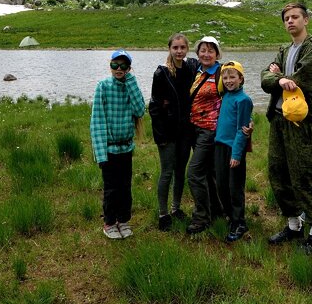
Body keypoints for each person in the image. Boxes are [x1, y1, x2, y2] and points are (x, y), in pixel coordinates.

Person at [261, 2, 312, 252]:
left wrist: (280, 77)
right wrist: (279, 78)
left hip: (301, 121)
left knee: (305, 173)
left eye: (295, 17)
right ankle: (293, 224)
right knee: (278, 171)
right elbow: (264, 78)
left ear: (306, 20)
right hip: (278, 119)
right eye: (286, 18)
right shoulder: (283, 48)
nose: (290, 21)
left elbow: (305, 79)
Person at [90, 49, 147, 240]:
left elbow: (140, 111)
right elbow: (97, 121)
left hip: (126, 148)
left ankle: (123, 220)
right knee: (111, 188)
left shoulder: (130, 85)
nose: (118, 69)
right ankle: (109, 223)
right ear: (110, 65)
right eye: (115, 65)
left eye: (123, 65)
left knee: (125, 186)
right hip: (109, 148)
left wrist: (131, 82)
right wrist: (100, 154)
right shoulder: (103, 86)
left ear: (129, 68)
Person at [149, 32, 196, 230]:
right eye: (175, 47)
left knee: (180, 171)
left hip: (185, 131)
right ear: (169, 48)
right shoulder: (161, 73)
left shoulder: (191, 68)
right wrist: (160, 136)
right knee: (167, 172)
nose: (179, 51)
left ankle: (176, 208)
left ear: (187, 49)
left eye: (182, 47)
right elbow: (154, 107)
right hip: (167, 133)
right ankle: (163, 213)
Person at [185, 36, 225, 234]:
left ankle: (201, 218)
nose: (206, 54)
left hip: (210, 131)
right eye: (203, 50)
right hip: (195, 129)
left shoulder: (222, 73)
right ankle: (217, 210)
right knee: (209, 172)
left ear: (217, 54)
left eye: (211, 50)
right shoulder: (197, 71)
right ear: (197, 53)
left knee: (194, 173)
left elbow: (235, 96)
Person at [214, 61, 254, 242]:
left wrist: (237, 155)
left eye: (232, 77)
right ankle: (231, 217)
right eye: (225, 77)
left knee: (234, 188)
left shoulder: (244, 100)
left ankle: (240, 222)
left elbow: (242, 129)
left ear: (241, 79)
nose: (229, 80)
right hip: (220, 146)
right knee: (222, 186)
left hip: (233, 149)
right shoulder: (225, 96)